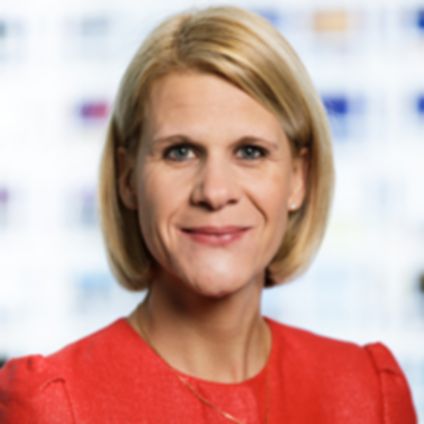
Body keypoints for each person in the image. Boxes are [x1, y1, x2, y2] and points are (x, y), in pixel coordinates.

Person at [0, 6, 417, 423]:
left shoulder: (368, 392)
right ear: (128, 177)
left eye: (250, 152)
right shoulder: (52, 405)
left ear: (298, 178)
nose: (215, 192)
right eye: (180, 152)